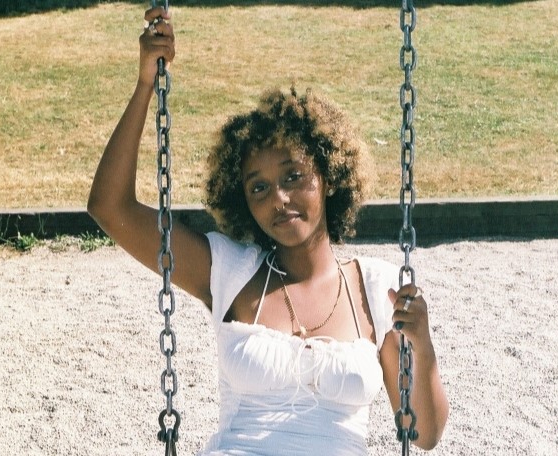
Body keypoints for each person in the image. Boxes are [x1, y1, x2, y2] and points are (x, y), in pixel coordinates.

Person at [88, 6, 448, 455]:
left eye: (294, 176)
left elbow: (424, 435)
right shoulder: (229, 271)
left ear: (329, 177)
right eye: (259, 187)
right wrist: (146, 84)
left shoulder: (378, 289)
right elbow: (109, 206)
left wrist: (423, 342)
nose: (278, 198)